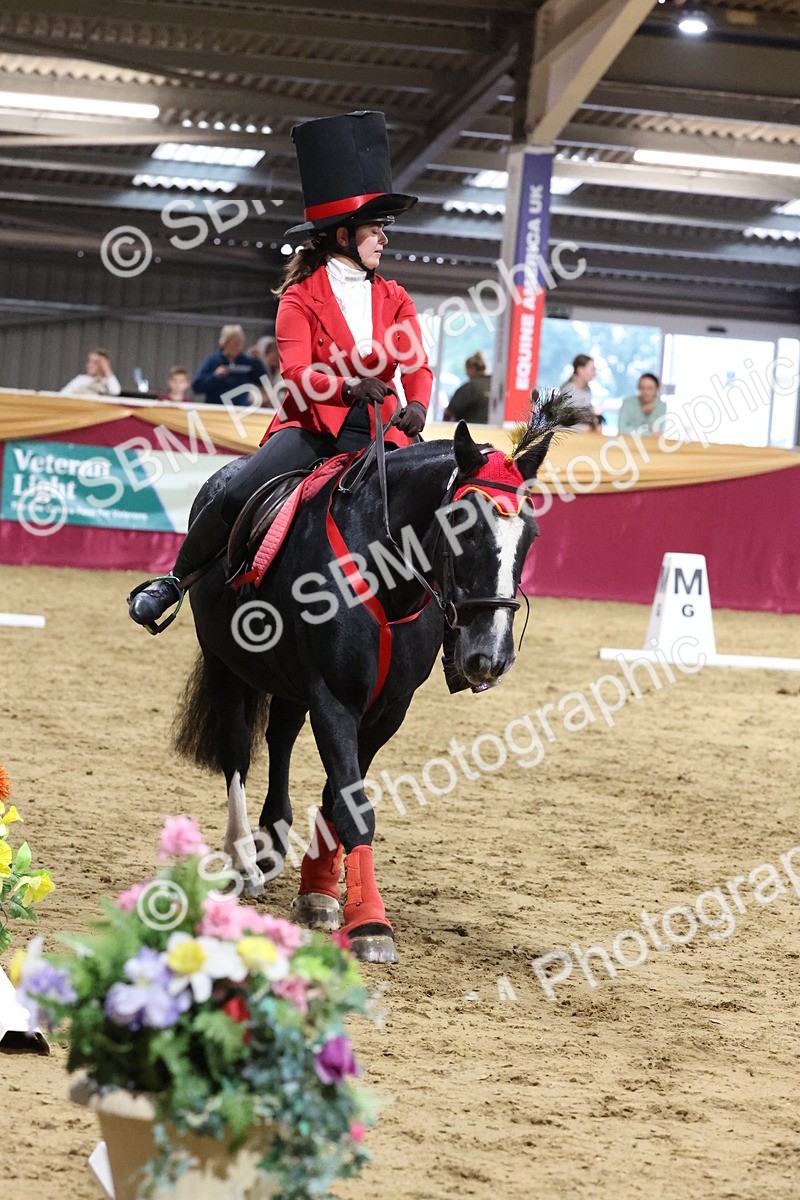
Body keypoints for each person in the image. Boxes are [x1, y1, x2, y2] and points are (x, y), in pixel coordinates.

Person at [128, 109, 432, 632]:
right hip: (313, 429)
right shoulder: (299, 297)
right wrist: (346, 385)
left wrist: (418, 405)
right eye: (376, 228)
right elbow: (296, 373)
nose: (385, 239)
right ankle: (173, 581)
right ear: (343, 235)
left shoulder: (396, 296)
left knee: (442, 516)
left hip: (383, 434)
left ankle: (457, 636)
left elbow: (418, 364)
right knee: (235, 492)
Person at [191, 325, 263, 406]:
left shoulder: (246, 361)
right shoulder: (213, 361)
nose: (238, 347)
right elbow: (196, 386)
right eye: (235, 343)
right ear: (225, 342)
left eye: (241, 343)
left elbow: (263, 381)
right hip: (217, 408)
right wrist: (215, 376)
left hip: (240, 410)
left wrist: (257, 361)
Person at [444, 352, 491, 424]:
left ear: (472, 368)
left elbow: (449, 413)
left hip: (471, 429)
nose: (466, 373)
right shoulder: (494, 384)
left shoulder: (469, 388)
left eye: (467, 369)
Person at [561, 354, 596, 427]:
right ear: (580, 370)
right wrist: (583, 428)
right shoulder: (567, 391)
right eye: (592, 369)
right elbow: (562, 424)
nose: (594, 373)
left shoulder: (587, 390)